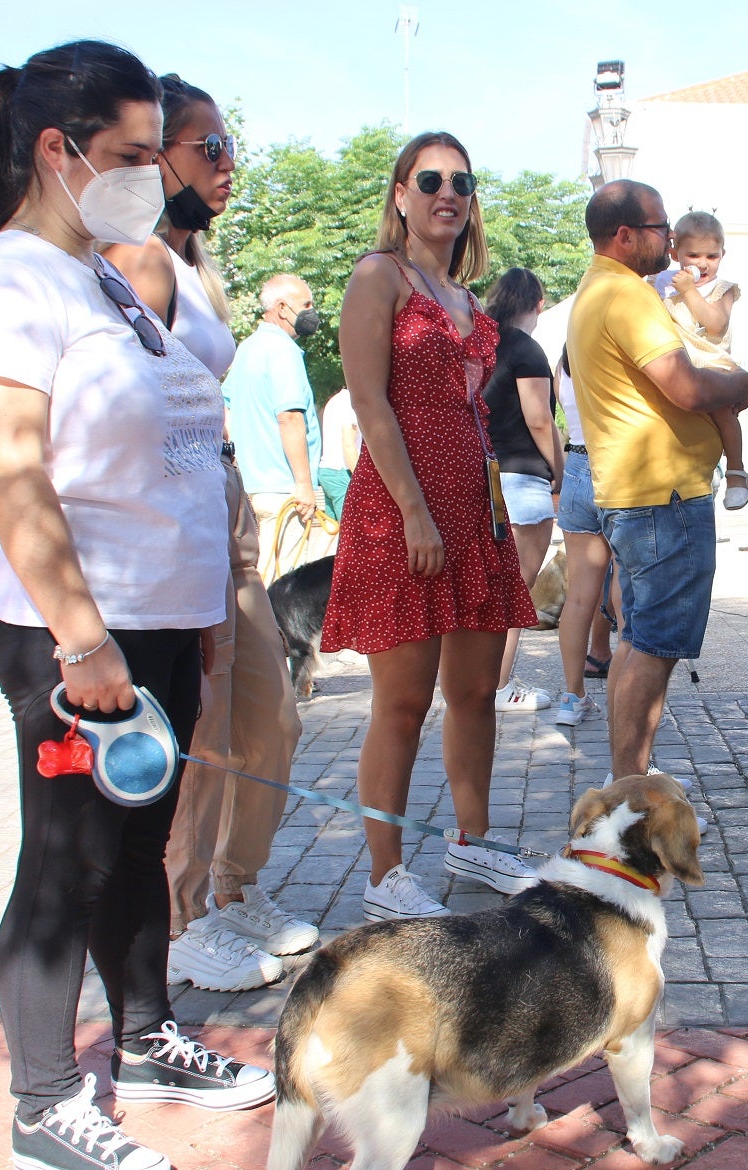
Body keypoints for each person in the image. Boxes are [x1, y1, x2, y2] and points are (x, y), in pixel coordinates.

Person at [0, 40, 272, 1170]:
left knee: (141, 844)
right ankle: (43, 1103)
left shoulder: (106, 279)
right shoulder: (9, 282)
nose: (151, 173)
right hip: (71, 635)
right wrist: (85, 642)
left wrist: (196, 619)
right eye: (133, 154)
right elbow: (12, 478)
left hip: (157, 624)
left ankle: (144, 1034)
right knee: (70, 857)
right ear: (57, 150)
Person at [103, 72, 316, 994]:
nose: (228, 164)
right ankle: (185, 917)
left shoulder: (193, 262)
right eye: (209, 147)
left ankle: (234, 890)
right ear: (157, 159)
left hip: (222, 499)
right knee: (205, 730)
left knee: (269, 714)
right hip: (180, 505)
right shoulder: (136, 255)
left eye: (231, 146)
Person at [320, 131, 541, 920]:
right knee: (403, 702)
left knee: (478, 690)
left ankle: (472, 839)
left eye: (462, 180)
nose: (447, 191)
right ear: (401, 195)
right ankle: (385, 879)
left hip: (472, 510)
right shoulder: (377, 278)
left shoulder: (468, 302)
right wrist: (415, 508)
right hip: (401, 509)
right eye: (430, 179)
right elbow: (370, 402)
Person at [567, 179, 748, 779]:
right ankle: (628, 792)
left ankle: (624, 786)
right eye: (659, 228)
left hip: (643, 494)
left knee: (638, 640)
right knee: (652, 647)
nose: (671, 239)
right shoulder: (625, 296)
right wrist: (742, 385)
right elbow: (689, 386)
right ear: (625, 235)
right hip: (662, 496)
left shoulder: (602, 291)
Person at [481, 267, 564, 711]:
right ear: (538, 304)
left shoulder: (476, 342)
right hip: (523, 481)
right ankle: (499, 687)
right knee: (514, 593)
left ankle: (481, 683)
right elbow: (539, 419)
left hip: (483, 478)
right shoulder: (525, 348)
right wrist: (562, 470)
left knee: (489, 590)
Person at [223, 272, 322, 584]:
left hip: (251, 487)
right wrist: (304, 485)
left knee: (258, 579)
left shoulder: (247, 349)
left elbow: (225, 410)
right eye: (306, 304)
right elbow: (290, 417)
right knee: (286, 586)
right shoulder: (283, 351)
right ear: (282, 307)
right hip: (284, 491)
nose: (312, 311)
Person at [653, 211, 748, 510]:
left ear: (722, 255)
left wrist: (689, 291)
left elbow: (715, 324)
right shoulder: (662, 282)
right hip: (678, 362)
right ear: (674, 253)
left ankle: (736, 469)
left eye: (711, 256)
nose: (702, 263)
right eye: (692, 255)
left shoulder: (723, 289)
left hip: (711, 360)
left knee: (723, 413)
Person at [552, 347, 618, 727]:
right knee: (625, 588)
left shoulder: (566, 360)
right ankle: (626, 699)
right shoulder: (608, 349)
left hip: (576, 462)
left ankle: (572, 696)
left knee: (579, 595)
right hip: (614, 462)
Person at [318, 388, 359, 520]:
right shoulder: (351, 402)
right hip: (342, 472)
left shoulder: (336, 400)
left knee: (334, 530)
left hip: (327, 471)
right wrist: (363, 480)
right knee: (352, 530)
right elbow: (348, 446)